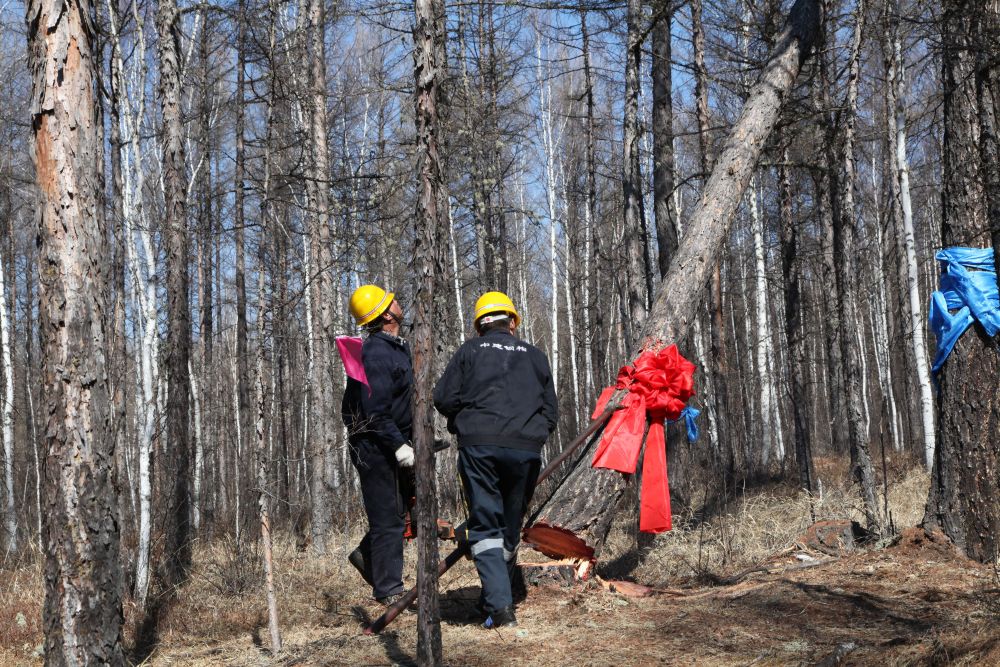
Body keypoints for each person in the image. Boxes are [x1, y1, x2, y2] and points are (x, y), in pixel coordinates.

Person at [433, 291, 559, 629]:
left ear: (480, 326)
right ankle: (495, 598)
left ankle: (500, 607)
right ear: (512, 322)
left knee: (486, 526)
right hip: (525, 450)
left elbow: (442, 398)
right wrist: (531, 437)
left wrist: (467, 421)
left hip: (479, 448)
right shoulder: (535, 355)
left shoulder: (469, 351)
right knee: (509, 526)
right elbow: (551, 412)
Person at [342, 284, 414, 605]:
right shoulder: (376, 353)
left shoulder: (394, 347)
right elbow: (374, 410)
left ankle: (366, 556)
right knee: (387, 519)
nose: (398, 303)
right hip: (376, 446)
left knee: (400, 514)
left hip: (390, 441)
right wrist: (399, 445)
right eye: (392, 301)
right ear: (387, 315)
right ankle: (389, 592)